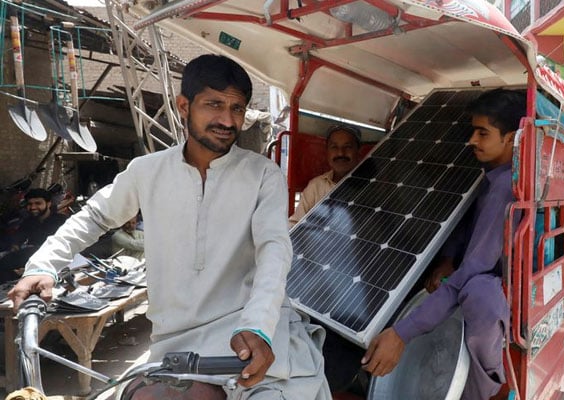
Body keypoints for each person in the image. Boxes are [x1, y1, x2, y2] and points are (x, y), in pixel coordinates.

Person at [8, 54, 329, 400]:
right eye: (214, 104)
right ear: (183, 105)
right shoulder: (148, 171)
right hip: (176, 342)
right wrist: (44, 265)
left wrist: (258, 325)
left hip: (252, 334)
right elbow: (95, 216)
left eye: (237, 108)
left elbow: (274, 250)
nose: (227, 119)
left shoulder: (263, 174)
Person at [361, 88, 524, 400]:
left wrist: (401, 333)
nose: (472, 141)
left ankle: (480, 390)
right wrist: (448, 259)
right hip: (469, 271)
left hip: (498, 300)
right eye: (472, 131)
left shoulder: (505, 188)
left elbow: (474, 269)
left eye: (482, 133)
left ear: (511, 138)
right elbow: (469, 225)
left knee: (479, 293)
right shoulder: (492, 176)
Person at [289, 125, 362, 227]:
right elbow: (295, 224)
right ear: (327, 152)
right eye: (334, 147)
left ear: (358, 151)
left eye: (348, 147)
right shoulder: (316, 186)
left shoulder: (373, 188)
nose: (340, 153)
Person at [0, 188, 67, 283]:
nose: (33, 207)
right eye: (30, 204)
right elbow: (19, 236)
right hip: (30, 257)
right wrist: (15, 246)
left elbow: (62, 247)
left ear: (48, 204)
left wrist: (32, 267)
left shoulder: (61, 221)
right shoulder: (29, 221)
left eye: (38, 203)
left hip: (52, 261)